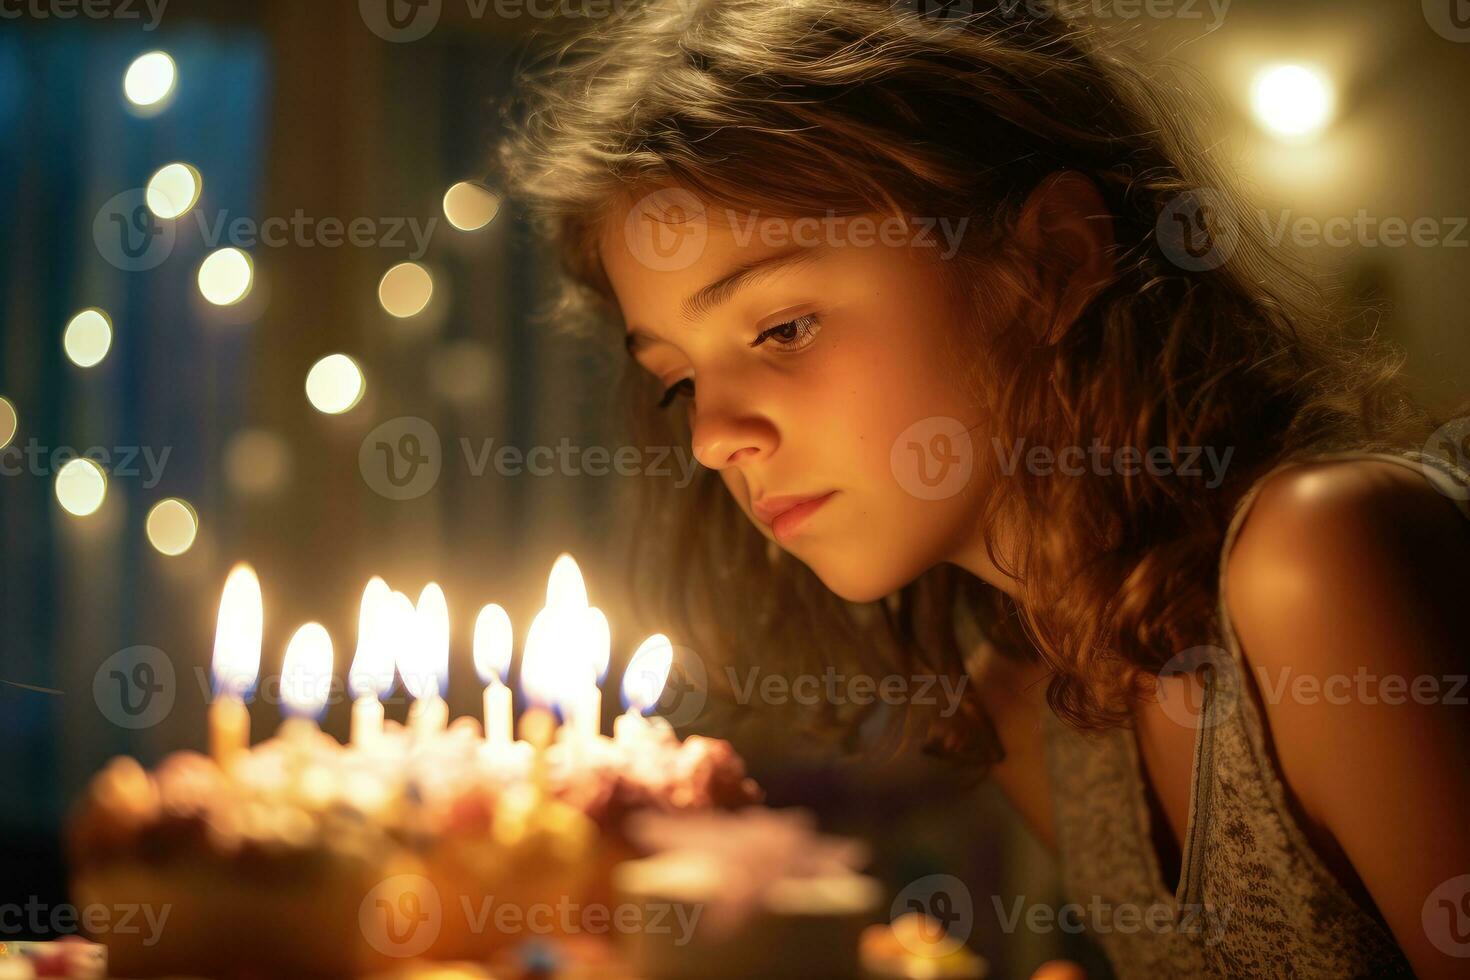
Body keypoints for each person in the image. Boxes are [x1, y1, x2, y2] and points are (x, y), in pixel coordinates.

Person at [494, 1, 1470, 976]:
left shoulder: (1318, 562)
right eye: (679, 378)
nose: (712, 437)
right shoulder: (1032, 704)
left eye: (783, 327)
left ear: (1050, 261)